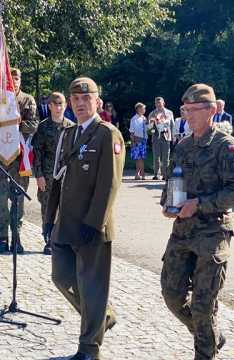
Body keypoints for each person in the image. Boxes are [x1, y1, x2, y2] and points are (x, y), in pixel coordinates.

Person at [160, 83, 234, 360]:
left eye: (193, 109)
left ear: (211, 110)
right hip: (183, 231)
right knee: (172, 295)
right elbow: (173, 182)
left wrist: (199, 204)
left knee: (203, 304)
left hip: (213, 234)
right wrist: (168, 203)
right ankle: (210, 334)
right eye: (185, 109)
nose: (188, 115)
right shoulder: (183, 146)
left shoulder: (226, 146)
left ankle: (205, 352)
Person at [45, 77, 125, 360]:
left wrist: (95, 223)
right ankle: (102, 318)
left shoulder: (107, 134)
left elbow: (109, 184)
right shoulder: (68, 134)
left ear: (97, 102)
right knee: (61, 276)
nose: (80, 103)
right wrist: (48, 217)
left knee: (92, 286)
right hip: (66, 223)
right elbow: (57, 179)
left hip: (92, 226)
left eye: (86, 98)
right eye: (75, 99)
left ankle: (89, 349)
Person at [0, 67, 38, 254]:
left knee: (18, 200)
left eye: (16, 78)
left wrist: (15, 124)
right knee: (0, 200)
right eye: (10, 78)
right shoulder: (1, 99)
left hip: (20, 160)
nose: (13, 81)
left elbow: (33, 125)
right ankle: (2, 238)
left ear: (20, 80)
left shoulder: (27, 100)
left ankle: (17, 238)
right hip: (1, 159)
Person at [32, 92, 73, 255]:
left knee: (64, 207)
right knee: (47, 207)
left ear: (65, 105)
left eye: (61, 103)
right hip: (48, 174)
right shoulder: (43, 126)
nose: (58, 107)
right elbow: (37, 152)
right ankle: (49, 239)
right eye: (55, 104)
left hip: (65, 175)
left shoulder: (71, 126)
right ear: (49, 106)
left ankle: (61, 240)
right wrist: (39, 175)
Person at [148, 96, 174, 180]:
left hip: (166, 136)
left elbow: (172, 125)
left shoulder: (169, 113)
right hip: (156, 136)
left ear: (163, 103)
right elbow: (149, 127)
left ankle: (165, 174)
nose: (158, 105)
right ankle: (156, 174)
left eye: (160, 103)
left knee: (166, 157)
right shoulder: (152, 113)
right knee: (156, 156)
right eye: (156, 103)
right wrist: (151, 128)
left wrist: (173, 136)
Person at [129, 102, 148, 180]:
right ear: (138, 109)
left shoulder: (144, 118)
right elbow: (132, 131)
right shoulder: (134, 119)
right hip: (137, 140)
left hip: (144, 140)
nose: (144, 110)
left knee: (140, 158)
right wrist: (133, 141)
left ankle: (138, 174)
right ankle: (142, 174)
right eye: (143, 108)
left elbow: (147, 129)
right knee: (139, 158)